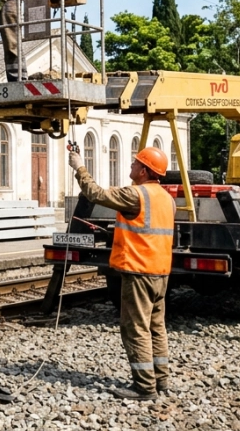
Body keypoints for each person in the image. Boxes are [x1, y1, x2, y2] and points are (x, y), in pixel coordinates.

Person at [69, 144, 176, 400]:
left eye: (135, 163)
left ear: (145, 171)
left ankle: (144, 387)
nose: (131, 166)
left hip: (139, 271)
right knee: (156, 327)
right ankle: (161, 380)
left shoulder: (136, 195)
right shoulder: (167, 198)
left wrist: (79, 166)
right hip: (161, 272)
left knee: (135, 328)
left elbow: (96, 194)